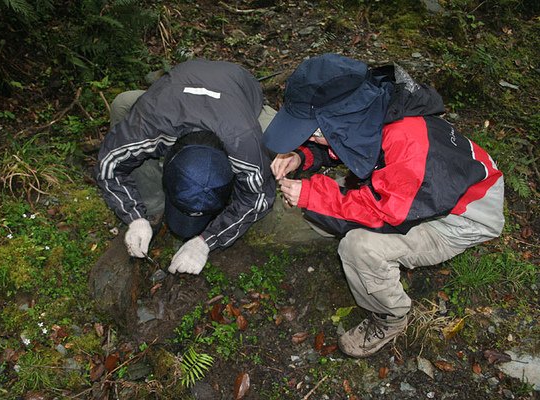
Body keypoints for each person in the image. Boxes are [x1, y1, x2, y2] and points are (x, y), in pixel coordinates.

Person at [262, 53, 504, 358]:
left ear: (336, 124)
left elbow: (384, 215)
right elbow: (347, 146)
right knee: (333, 208)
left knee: (359, 247)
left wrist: (312, 195)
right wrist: (302, 156)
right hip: (429, 192)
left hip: (461, 218)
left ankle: (390, 317)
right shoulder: (372, 109)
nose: (309, 137)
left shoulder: (406, 145)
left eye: (311, 133)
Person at [96, 59, 276, 276]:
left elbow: (258, 198)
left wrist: (205, 242)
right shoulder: (151, 122)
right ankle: (152, 202)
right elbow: (109, 164)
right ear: (169, 158)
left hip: (240, 96)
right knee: (123, 103)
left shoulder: (245, 144)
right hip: (175, 98)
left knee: (275, 136)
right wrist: (135, 217)